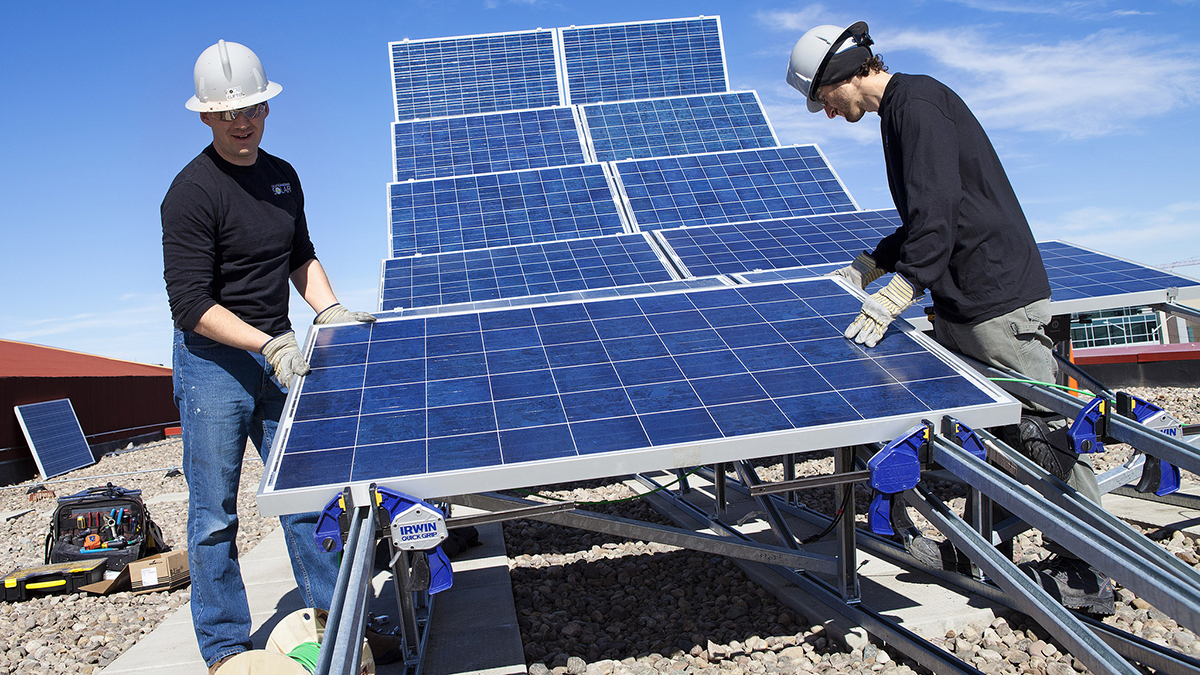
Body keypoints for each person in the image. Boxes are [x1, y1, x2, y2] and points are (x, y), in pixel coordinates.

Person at [785, 22, 1112, 615]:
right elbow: (925, 214)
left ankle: (1091, 571)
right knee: (995, 434)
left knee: (1040, 434)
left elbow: (940, 213)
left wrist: (900, 289)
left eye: (822, 100)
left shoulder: (919, 104)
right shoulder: (902, 113)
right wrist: (871, 265)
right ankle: (988, 545)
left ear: (841, 77)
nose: (827, 114)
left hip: (996, 297)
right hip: (968, 298)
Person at [161, 40, 384, 672]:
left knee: (307, 496)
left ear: (266, 107)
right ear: (205, 117)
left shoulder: (283, 177)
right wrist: (266, 343)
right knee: (213, 513)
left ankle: (340, 626)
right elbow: (190, 304)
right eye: (227, 112)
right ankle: (226, 649)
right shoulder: (191, 192)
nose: (241, 120)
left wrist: (329, 310)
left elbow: (299, 255)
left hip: (279, 351)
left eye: (252, 107)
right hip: (214, 364)